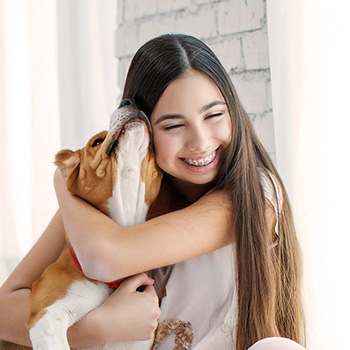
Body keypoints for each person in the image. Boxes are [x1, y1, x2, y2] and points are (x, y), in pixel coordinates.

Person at [0, 34, 306, 350]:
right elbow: (5, 308)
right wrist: (101, 328)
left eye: (214, 115)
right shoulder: (121, 202)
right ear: (141, 128)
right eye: (173, 125)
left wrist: (64, 179)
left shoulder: (255, 196)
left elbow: (102, 258)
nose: (200, 141)